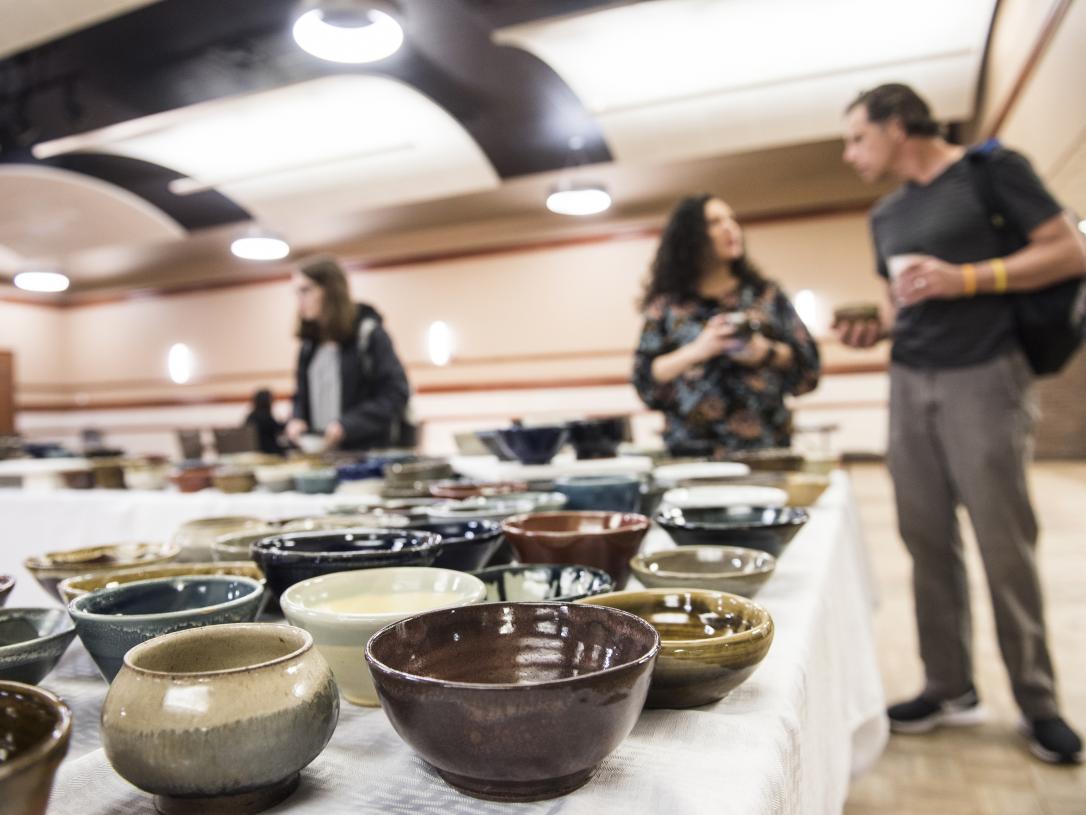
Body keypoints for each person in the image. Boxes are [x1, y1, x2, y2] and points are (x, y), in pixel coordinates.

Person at [838, 83, 1085, 764]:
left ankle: (1038, 702)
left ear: (896, 125)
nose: (849, 152)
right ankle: (948, 685)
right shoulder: (885, 215)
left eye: (857, 136)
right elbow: (901, 305)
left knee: (1004, 538)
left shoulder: (992, 171)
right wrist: (872, 329)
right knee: (924, 535)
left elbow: (1070, 251)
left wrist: (967, 278)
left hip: (985, 372)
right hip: (909, 377)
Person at [632, 194, 820, 458]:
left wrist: (763, 352)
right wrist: (698, 350)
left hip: (764, 449)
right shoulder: (667, 307)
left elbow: (808, 365)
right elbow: (645, 377)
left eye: (732, 219)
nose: (730, 227)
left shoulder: (765, 296)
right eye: (715, 222)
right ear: (691, 236)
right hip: (692, 452)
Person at [285, 257, 410, 452]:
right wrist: (297, 418)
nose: (299, 299)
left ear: (330, 290)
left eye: (306, 290)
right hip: (321, 454)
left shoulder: (369, 335)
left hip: (366, 454)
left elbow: (395, 393)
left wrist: (348, 425)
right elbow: (300, 395)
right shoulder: (309, 346)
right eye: (297, 292)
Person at [243, 389, 285, 455]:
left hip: (254, 451)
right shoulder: (266, 417)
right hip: (268, 451)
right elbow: (278, 430)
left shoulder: (250, 416)